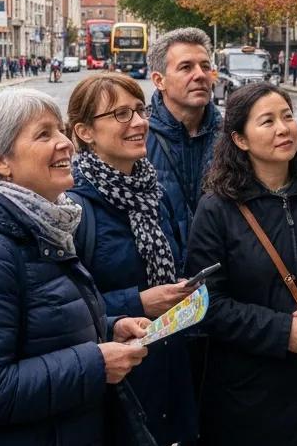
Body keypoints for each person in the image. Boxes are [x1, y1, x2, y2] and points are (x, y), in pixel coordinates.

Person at [0, 87, 150, 444]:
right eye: (44, 134)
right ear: (0, 161)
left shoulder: (43, 223)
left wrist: (108, 328)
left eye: (60, 130)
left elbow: (40, 328)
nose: (66, 143)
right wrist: (94, 364)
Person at [186, 83, 297, 445]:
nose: (283, 129)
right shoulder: (217, 208)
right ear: (240, 139)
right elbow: (206, 303)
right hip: (246, 393)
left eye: (287, 116)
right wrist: (280, 332)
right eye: (267, 121)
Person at [67, 72, 199, 444]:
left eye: (140, 110)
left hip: (170, 369)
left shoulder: (155, 193)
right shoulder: (73, 207)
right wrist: (137, 302)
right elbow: (62, 309)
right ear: (85, 132)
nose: (139, 123)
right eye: (121, 115)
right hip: (116, 387)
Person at [146, 27, 222, 241]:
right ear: (159, 80)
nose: (200, 75)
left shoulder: (233, 136)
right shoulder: (137, 138)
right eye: (186, 67)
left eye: (205, 66)